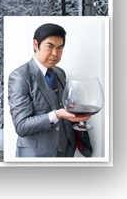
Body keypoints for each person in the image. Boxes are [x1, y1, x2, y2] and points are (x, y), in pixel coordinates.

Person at [7, 22, 92, 158]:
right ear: (36, 44)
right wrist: (57, 115)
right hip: (37, 156)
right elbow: (22, 126)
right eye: (50, 46)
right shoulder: (19, 77)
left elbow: (62, 104)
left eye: (60, 48)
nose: (55, 53)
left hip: (66, 153)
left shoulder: (60, 73)